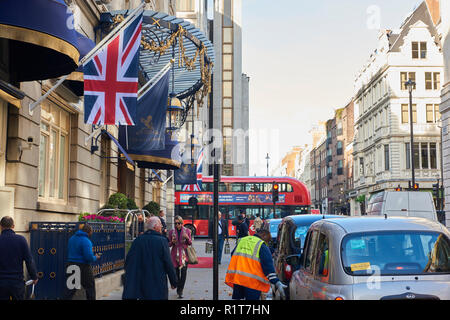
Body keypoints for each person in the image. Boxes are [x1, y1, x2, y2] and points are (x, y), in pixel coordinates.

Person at [122, 216, 177, 300]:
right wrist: (174, 281)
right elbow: (168, 263)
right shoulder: (162, 241)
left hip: (142, 283)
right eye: (160, 224)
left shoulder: (138, 240)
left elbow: (129, 261)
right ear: (155, 226)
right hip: (157, 282)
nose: (162, 226)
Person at [225, 229, 287, 300]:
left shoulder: (242, 240)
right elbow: (268, 266)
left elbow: (233, 254)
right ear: (263, 235)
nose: (267, 243)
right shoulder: (261, 245)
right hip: (252, 283)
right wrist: (276, 282)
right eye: (268, 240)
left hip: (238, 279)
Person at [0, 216, 38, 300]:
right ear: (13, 226)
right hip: (17, 282)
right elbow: (29, 260)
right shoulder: (21, 240)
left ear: (1, 226)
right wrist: (34, 276)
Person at [64, 223, 100, 300]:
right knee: (90, 287)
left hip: (71, 265)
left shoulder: (72, 238)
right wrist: (95, 257)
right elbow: (88, 257)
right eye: (92, 231)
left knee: (70, 289)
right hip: (82, 267)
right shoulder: (86, 241)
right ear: (89, 231)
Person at [168, 216, 192, 299]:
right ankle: (178, 287)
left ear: (182, 223)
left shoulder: (187, 231)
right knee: (176, 273)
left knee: (184, 272)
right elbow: (168, 244)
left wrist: (187, 238)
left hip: (184, 254)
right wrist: (172, 242)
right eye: (175, 223)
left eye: (179, 223)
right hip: (175, 254)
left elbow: (190, 243)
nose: (177, 225)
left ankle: (180, 290)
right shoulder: (171, 232)